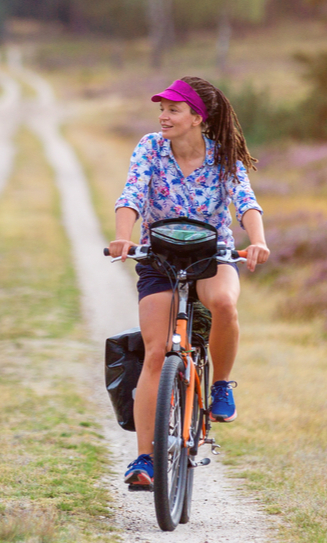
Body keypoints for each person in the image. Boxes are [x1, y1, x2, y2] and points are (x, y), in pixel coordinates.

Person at [108, 76, 270, 490]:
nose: (164, 116)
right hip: (158, 258)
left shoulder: (223, 155)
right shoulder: (150, 147)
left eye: (174, 109)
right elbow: (132, 193)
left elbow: (245, 200)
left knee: (225, 306)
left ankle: (219, 387)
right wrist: (124, 236)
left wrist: (257, 241)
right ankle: (144, 458)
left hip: (210, 256)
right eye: (162, 109)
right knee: (156, 353)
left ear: (197, 117)